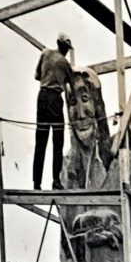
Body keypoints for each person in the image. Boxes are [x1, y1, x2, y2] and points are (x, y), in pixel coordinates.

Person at [32, 32, 77, 190]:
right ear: (63, 46)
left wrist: (48, 76)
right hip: (54, 100)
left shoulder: (45, 53)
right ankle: (56, 180)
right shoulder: (64, 63)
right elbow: (73, 84)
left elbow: (37, 76)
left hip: (42, 98)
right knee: (58, 141)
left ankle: (36, 183)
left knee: (41, 141)